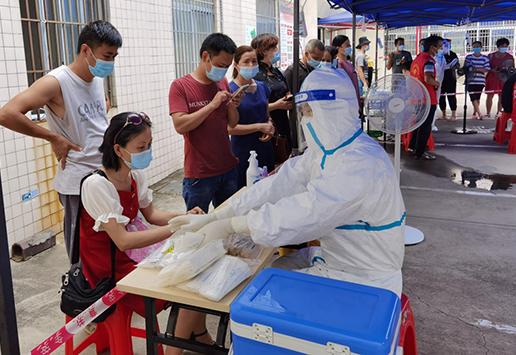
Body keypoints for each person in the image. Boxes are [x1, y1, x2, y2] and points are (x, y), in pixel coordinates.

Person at [169, 65, 406, 298]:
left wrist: (234, 226)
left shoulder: (359, 162)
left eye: (308, 112)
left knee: (261, 293)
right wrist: (220, 215)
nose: (304, 120)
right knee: (268, 271)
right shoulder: (328, 153)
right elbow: (280, 184)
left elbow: (309, 212)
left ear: (333, 111)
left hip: (363, 275)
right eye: (303, 112)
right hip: (340, 256)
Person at [80, 112, 212, 351]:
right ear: (118, 150)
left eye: (149, 145)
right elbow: (122, 241)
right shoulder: (97, 185)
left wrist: (186, 217)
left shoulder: (135, 174)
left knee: (197, 269)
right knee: (187, 288)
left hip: (132, 252)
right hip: (108, 266)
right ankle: (178, 348)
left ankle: (198, 335)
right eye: (141, 146)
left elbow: (152, 215)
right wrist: (175, 227)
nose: (147, 151)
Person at [0, 20, 121, 263]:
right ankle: (81, 297)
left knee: (108, 247)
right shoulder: (56, 81)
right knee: (82, 253)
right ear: (86, 50)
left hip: (105, 172)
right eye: (107, 56)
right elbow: (5, 114)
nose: (111, 63)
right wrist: (53, 137)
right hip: (78, 183)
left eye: (114, 56)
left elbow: (101, 105)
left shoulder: (96, 77)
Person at [169, 33, 243, 214]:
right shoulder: (180, 86)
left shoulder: (223, 82)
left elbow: (232, 124)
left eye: (226, 67)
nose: (223, 71)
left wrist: (233, 107)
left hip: (228, 168)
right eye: (219, 65)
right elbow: (180, 125)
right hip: (199, 174)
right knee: (197, 228)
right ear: (205, 57)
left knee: (227, 222)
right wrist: (212, 105)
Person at [228, 46, 275, 189]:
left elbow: (267, 115)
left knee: (267, 189)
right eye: (246, 62)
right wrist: (259, 127)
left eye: (254, 61)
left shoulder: (262, 87)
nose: (251, 65)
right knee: (244, 190)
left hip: (265, 147)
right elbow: (229, 128)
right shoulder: (229, 90)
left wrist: (269, 125)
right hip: (243, 150)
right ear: (236, 65)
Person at [252, 34, 293, 158]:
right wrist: (277, 105)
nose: (277, 50)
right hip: (266, 124)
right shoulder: (256, 74)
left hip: (283, 122)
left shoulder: (277, 72)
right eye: (274, 47)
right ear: (263, 51)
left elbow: (285, 89)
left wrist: (288, 97)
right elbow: (254, 107)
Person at [285, 38, 328, 149]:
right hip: (299, 118)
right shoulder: (292, 71)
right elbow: (290, 96)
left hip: (315, 115)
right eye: (316, 58)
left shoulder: (315, 70)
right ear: (307, 54)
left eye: (320, 59)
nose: (318, 61)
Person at [409, 35, 442, 161]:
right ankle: (420, 151)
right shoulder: (428, 61)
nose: (440, 49)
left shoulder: (417, 59)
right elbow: (428, 78)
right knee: (425, 126)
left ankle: (412, 147)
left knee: (418, 123)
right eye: (439, 47)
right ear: (432, 47)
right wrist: (437, 83)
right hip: (427, 98)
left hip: (417, 96)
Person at [485, 38, 515, 118]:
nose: (504, 48)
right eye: (502, 46)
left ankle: (499, 112)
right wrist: (494, 70)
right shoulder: (491, 56)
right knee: (490, 95)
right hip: (492, 78)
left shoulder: (510, 57)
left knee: (501, 96)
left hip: (504, 79)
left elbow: (512, 69)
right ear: (498, 47)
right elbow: (486, 67)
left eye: (506, 46)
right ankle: (488, 112)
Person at [465, 41, 490, 120]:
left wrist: (476, 69)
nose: (476, 48)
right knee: (472, 97)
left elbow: (486, 69)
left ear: (481, 47)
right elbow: (466, 67)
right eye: (474, 46)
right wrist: (478, 69)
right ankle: (479, 113)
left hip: (480, 80)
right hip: (470, 80)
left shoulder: (485, 58)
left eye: (477, 46)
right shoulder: (468, 57)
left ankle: (474, 112)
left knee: (477, 97)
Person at [332, 35, 360, 100]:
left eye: (349, 44)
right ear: (338, 48)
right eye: (347, 45)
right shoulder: (339, 63)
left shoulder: (349, 63)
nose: (350, 47)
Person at [439, 39, 459, 122]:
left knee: (451, 96)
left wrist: (453, 66)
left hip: (450, 78)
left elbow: (457, 65)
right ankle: (443, 114)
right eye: (445, 45)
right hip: (440, 78)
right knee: (441, 96)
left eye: (448, 45)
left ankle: (453, 114)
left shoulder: (453, 54)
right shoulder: (439, 54)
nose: (446, 47)